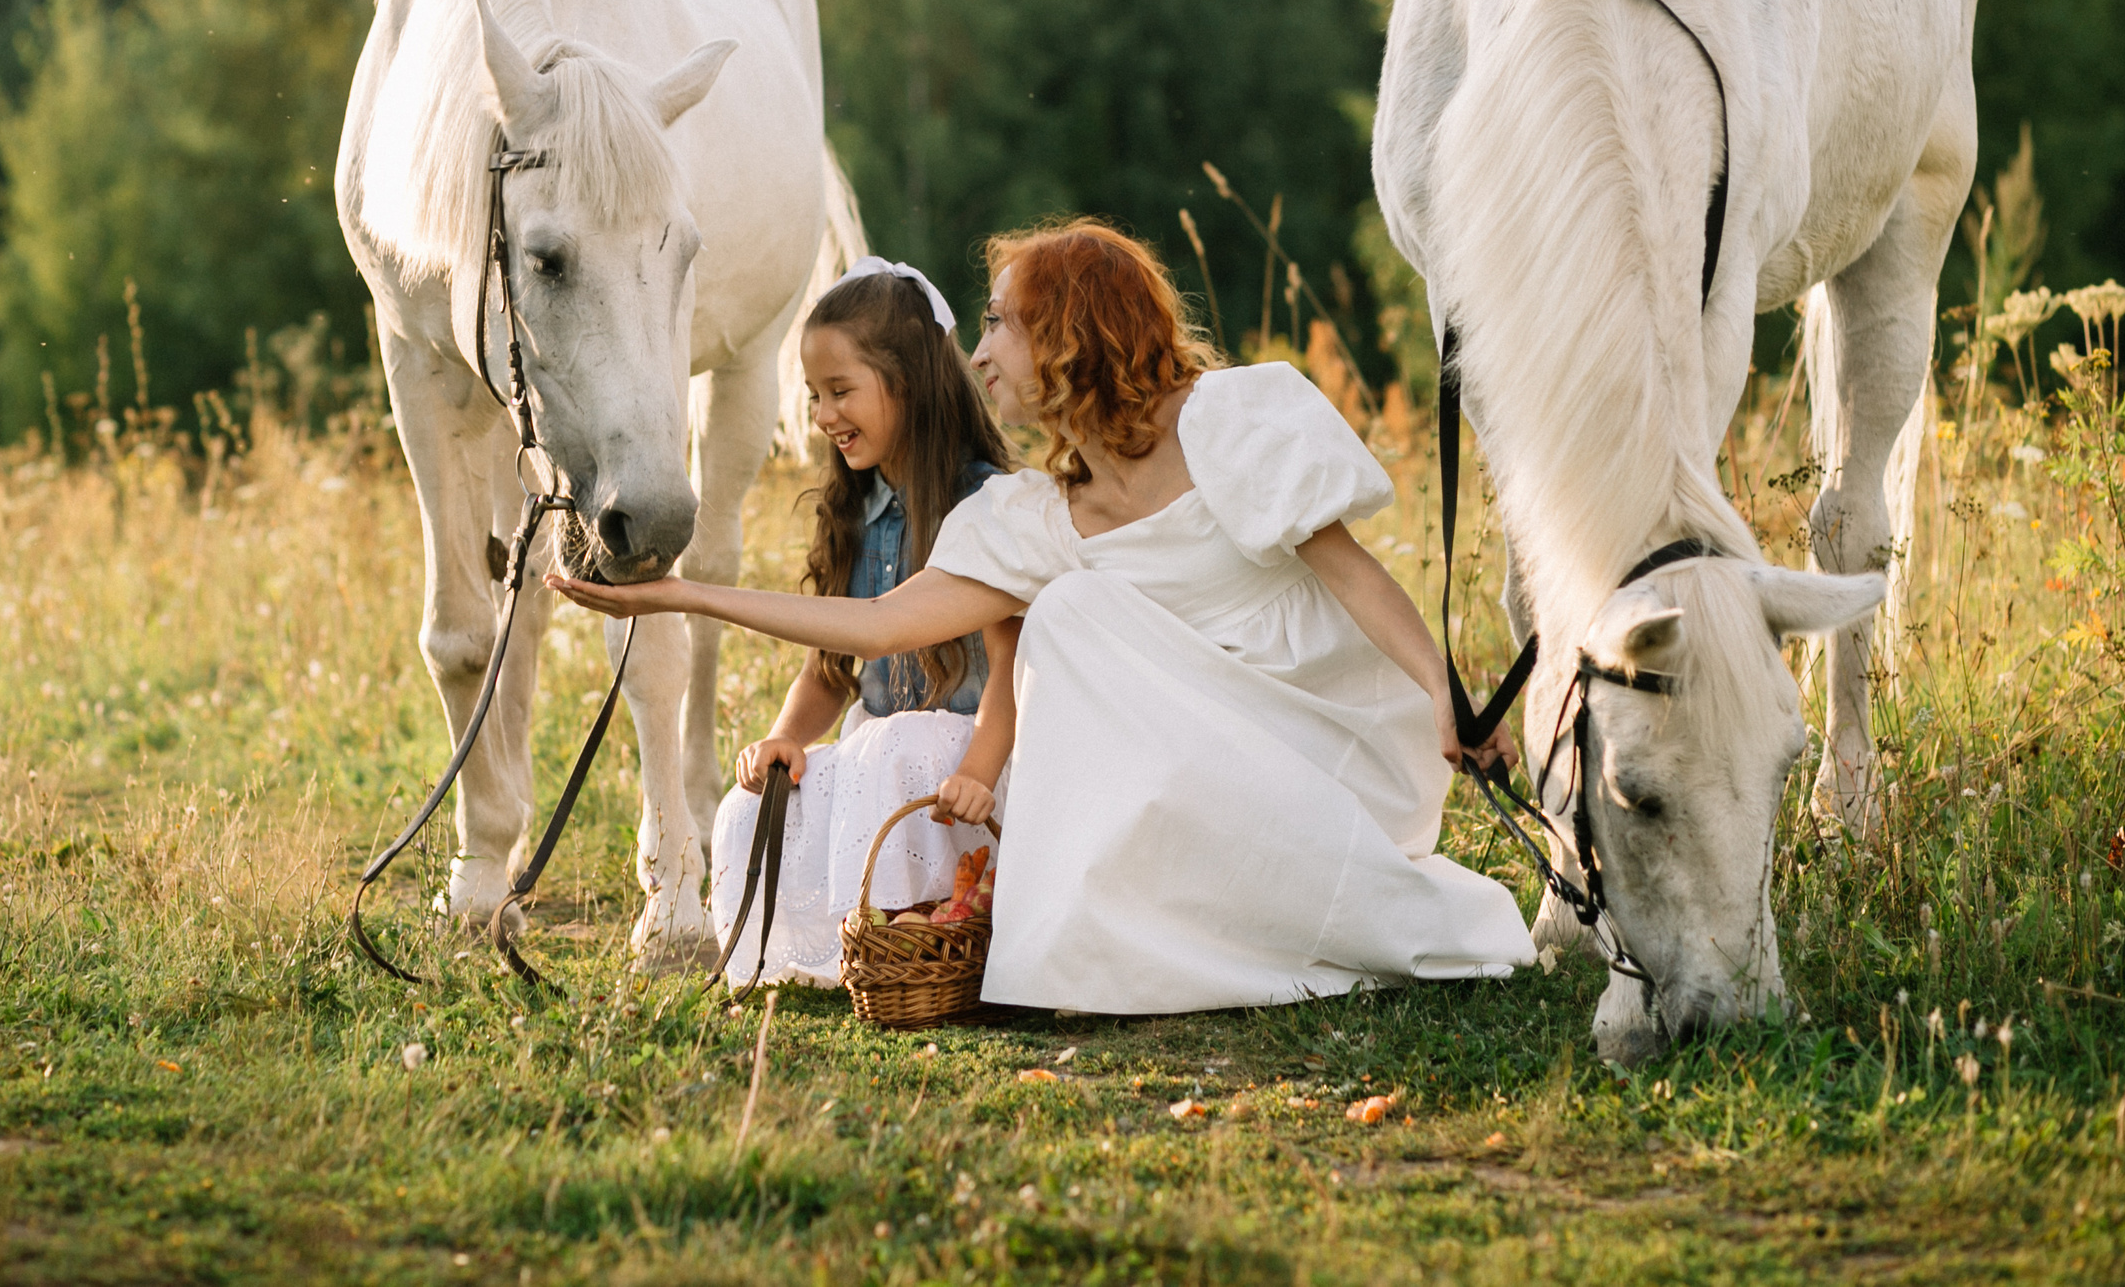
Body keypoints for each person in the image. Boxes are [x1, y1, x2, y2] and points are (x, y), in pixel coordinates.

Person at [557, 221, 1534, 1013]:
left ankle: (1312, 897)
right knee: (1066, 608)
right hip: (1176, 777)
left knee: (1068, 616)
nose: (976, 352)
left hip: (1304, 733)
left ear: (1070, 331)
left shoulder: (1228, 421)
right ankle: (1119, 939)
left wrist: (1446, 698)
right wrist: (678, 593)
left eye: (999, 326)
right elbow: (876, 626)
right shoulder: (1028, 518)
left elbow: (1355, 578)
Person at [705, 257, 1019, 985]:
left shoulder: (985, 505)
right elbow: (829, 670)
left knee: (892, 745)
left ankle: (916, 940)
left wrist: (979, 768)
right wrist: (785, 737)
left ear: (908, 383)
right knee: (751, 808)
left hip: (966, 767)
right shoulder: (857, 507)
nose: (823, 415)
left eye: (841, 391)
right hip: (886, 755)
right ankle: (818, 952)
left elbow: (1011, 663)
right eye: (816, 395)